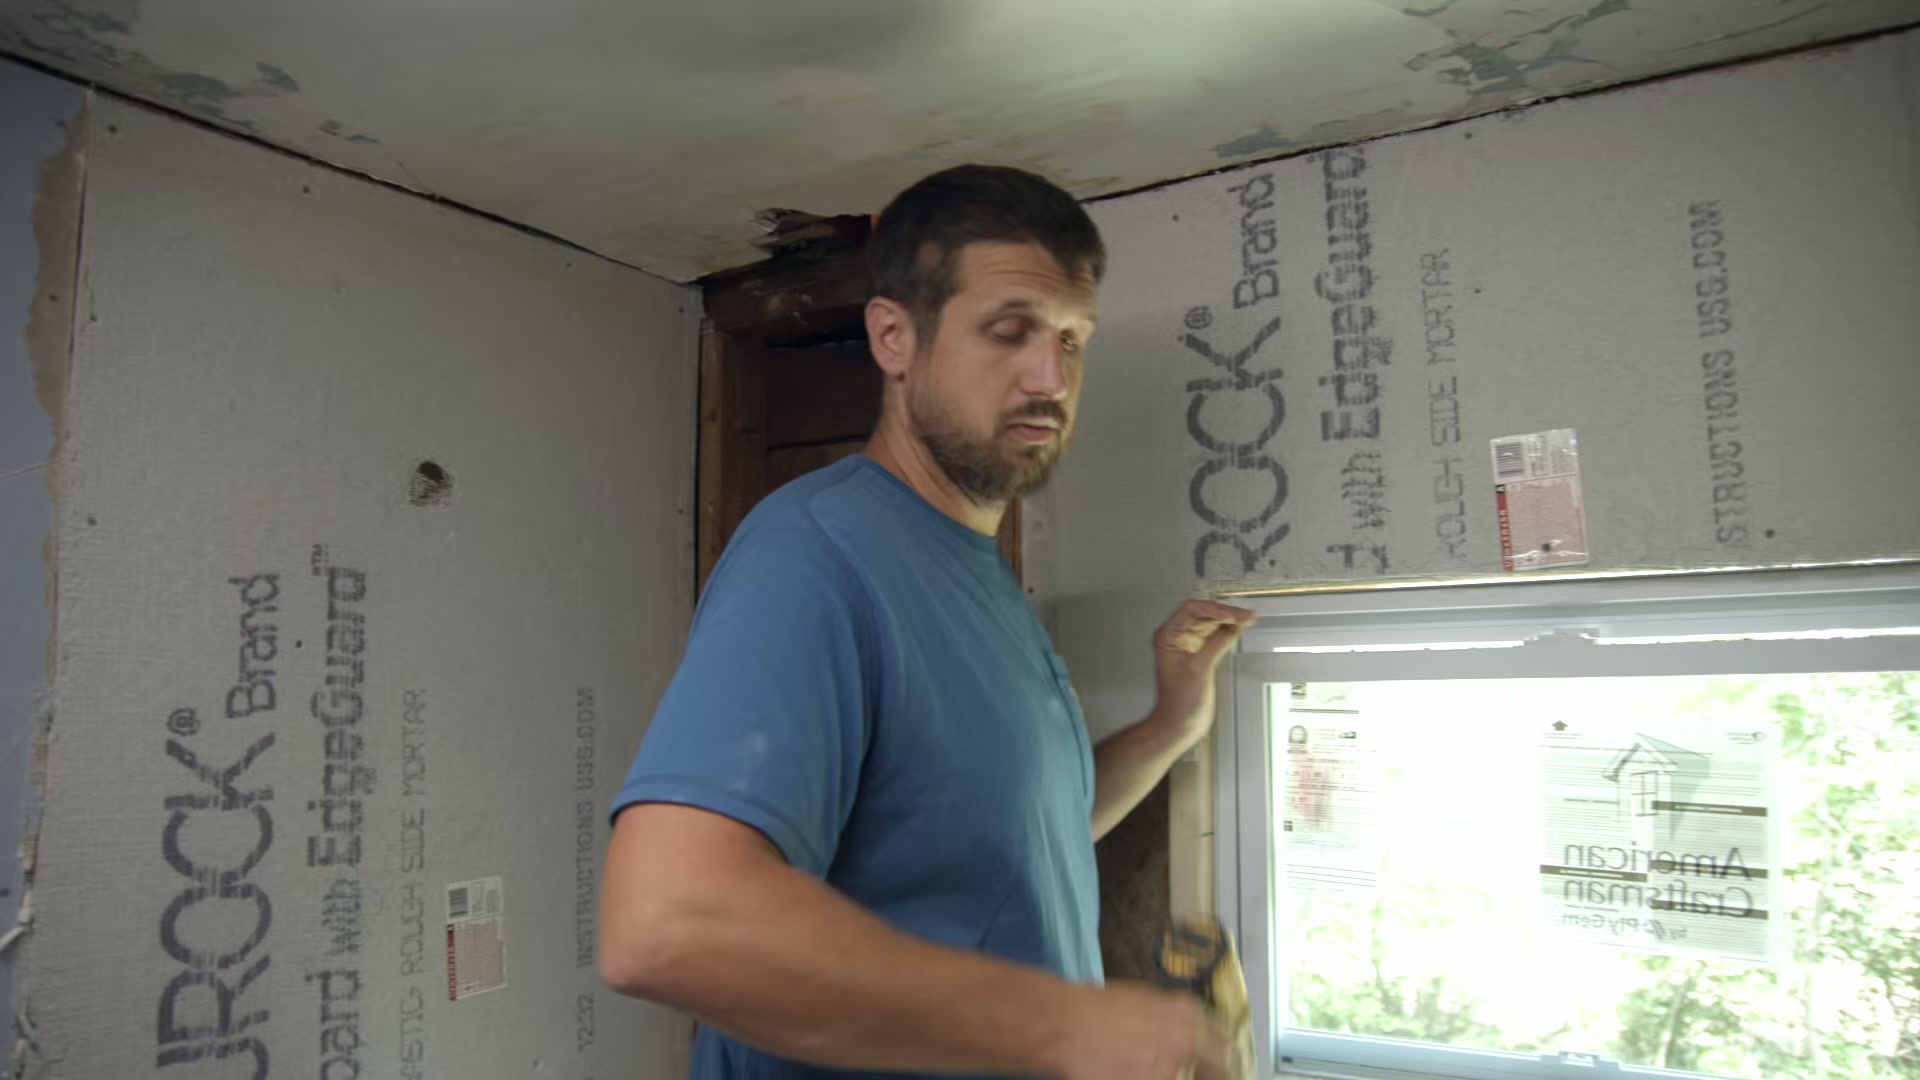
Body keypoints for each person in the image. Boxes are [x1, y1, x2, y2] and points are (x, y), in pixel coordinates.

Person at [598, 164, 1257, 1080]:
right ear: (894, 337)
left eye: (1072, 338)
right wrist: (1065, 1026)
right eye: (1010, 331)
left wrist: (1169, 726)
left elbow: (1014, 845)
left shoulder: (982, 575)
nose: (1052, 377)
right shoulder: (818, 553)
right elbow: (665, 923)